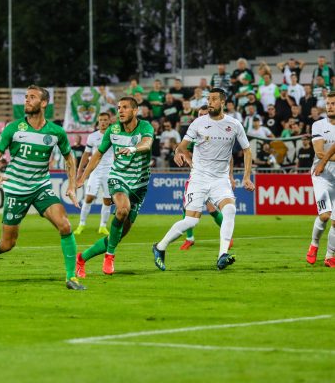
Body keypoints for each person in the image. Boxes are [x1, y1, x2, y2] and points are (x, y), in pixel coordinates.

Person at [0, 85, 85, 290]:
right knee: (7, 244)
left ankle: (71, 277)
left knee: (65, 225)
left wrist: (72, 185)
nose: (27, 101)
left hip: (41, 187)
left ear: (44, 103)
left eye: (32, 97)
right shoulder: (13, 128)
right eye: (26, 97)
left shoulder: (56, 132)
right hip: (16, 189)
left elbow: (69, 158)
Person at [152, 88, 254, 271]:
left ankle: (222, 255)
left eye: (214, 99)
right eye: (209, 99)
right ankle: (160, 247)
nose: (210, 102)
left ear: (223, 102)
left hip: (220, 179)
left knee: (230, 209)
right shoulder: (198, 123)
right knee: (191, 221)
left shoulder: (234, 124)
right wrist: (178, 153)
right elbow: (182, 146)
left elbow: (247, 150)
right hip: (198, 178)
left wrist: (246, 177)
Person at [75, 97, 154, 276]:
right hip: (118, 177)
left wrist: (133, 148)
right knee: (122, 209)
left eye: (125, 107)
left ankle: (82, 258)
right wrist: (83, 178)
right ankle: (110, 256)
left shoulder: (145, 127)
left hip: (139, 184)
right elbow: (97, 154)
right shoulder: (113, 129)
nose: (120, 111)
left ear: (135, 111)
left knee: (117, 236)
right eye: (119, 108)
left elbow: (147, 143)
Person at [176, 105, 229, 250]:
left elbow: (228, 155)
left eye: (205, 114)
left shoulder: (218, 132)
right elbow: (183, 148)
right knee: (188, 207)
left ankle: (227, 237)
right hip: (199, 178)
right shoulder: (194, 131)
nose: (203, 116)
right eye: (200, 114)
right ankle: (190, 238)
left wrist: (229, 176)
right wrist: (189, 161)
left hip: (214, 177)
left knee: (212, 209)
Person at [306, 92, 335, 268]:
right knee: (324, 215)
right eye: (328, 103)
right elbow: (319, 152)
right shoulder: (318, 125)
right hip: (321, 175)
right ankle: (314, 245)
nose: (330, 106)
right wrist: (324, 162)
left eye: (333, 103)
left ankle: (330, 255)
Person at [74, 112, 113, 236]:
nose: (103, 122)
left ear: (109, 121)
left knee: (107, 200)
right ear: (98, 121)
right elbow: (86, 154)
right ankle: (81, 224)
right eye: (101, 120)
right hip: (95, 171)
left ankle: (103, 226)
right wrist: (80, 171)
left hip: (109, 171)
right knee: (89, 197)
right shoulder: (92, 137)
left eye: (105, 120)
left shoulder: (114, 135)